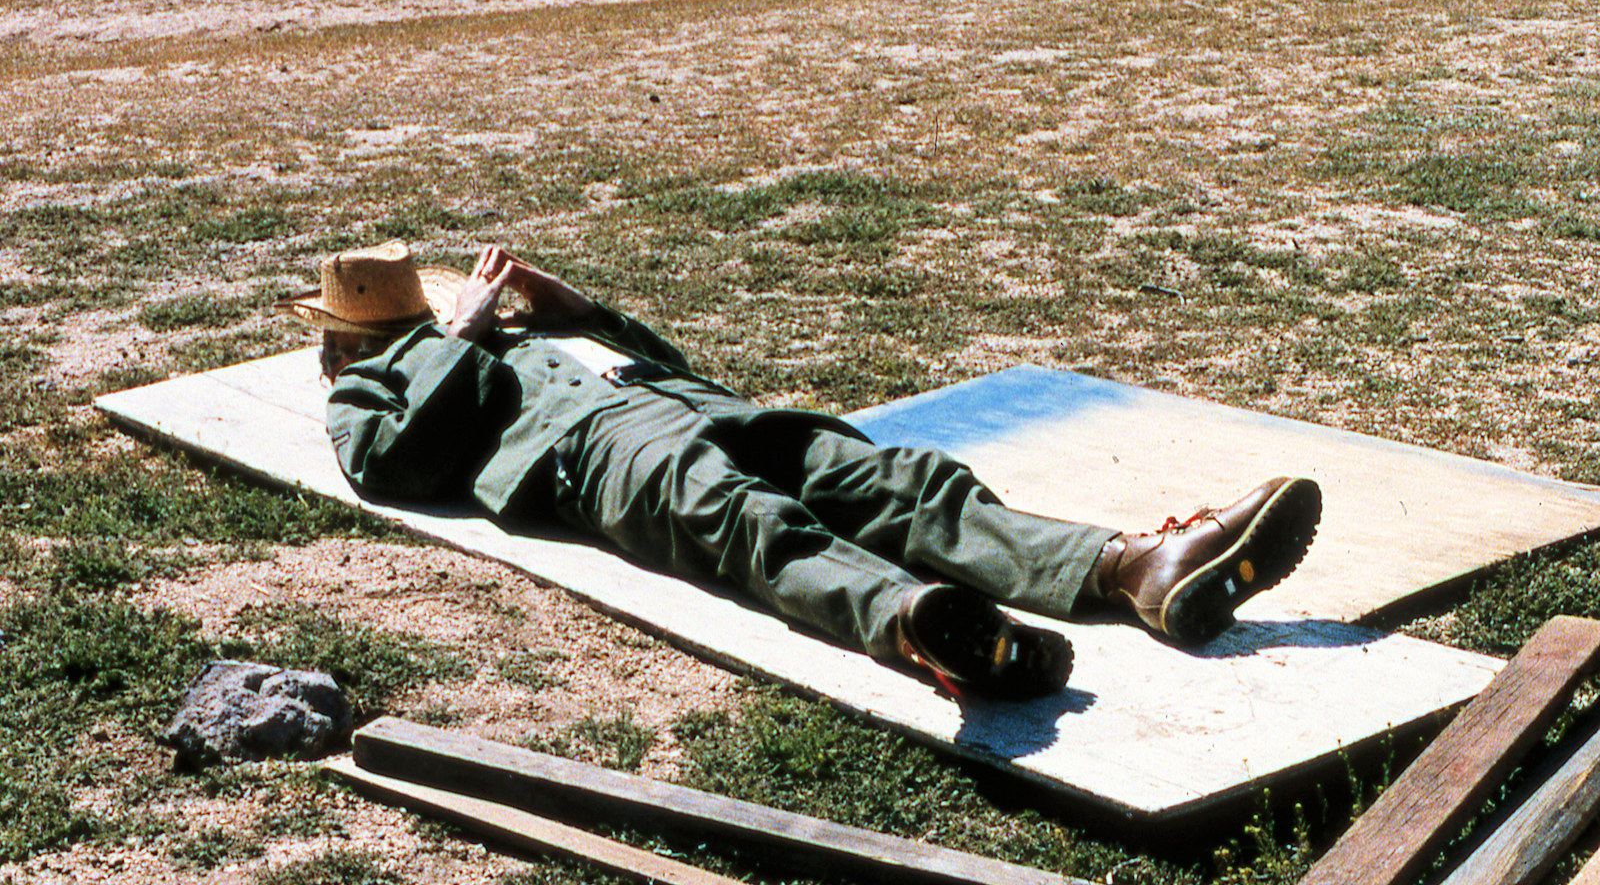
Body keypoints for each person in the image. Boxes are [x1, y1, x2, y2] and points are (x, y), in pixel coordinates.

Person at [277, 241, 1322, 700]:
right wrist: (460, 336)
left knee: (900, 480)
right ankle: (924, 624)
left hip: (687, 408)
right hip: (595, 458)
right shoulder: (374, 383)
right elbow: (383, 467)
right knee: (744, 520)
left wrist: (583, 314)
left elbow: (667, 367)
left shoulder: (494, 335)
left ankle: (1131, 567)